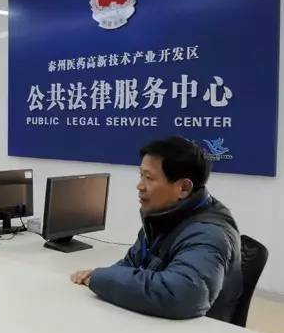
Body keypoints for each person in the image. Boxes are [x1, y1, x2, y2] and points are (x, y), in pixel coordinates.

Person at [70, 136, 242, 322]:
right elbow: (131, 264)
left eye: (149, 178)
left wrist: (100, 278)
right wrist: (100, 276)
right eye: (141, 176)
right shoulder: (162, 216)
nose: (140, 186)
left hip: (197, 332)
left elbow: (181, 295)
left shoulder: (210, 234)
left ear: (184, 188)